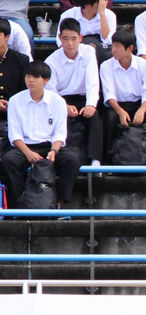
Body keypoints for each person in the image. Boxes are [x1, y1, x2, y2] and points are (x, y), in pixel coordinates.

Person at [4, 62, 81, 208]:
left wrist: (54, 150)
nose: (30, 80)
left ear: (46, 80)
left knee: (71, 160)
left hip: (49, 146)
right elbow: (14, 134)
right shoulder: (15, 101)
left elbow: (60, 133)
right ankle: (18, 203)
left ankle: (60, 202)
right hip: (24, 147)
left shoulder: (57, 101)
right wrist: (27, 153)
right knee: (9, 161)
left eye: (35, 77)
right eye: (28, 76)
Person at [48, 18, 103, 167]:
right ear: (60, 38)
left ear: (80, 37)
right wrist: (64, 107)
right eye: (66, 39)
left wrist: (91, 104)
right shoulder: (51, 61)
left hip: (83, 97)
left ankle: (95, 159)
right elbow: (51, 90)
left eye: (74, 39)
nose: (70, 44)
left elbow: (92, 80)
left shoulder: (89, 52)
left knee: (94, 116)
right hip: (62, 100)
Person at [100, 27, 146, 162]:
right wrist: (119, 111)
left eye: (118, 47)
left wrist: (141, 110)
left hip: (138, 104)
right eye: (113, 46)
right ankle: (108, 159)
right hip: (117, 105)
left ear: (130, 48)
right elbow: (109, 94)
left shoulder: (144, 66)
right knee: (110, 117)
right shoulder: (106, 66)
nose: (114, 50)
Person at [0, 19, 30, 146]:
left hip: (14, 114)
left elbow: (26, 91)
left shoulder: (21, 60)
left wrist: (11, 104)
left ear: (7, 37)